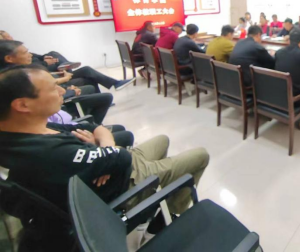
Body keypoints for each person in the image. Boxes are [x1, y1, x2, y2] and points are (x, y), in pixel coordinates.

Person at [0, 66, 210, 246]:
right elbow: (121, 157)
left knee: (162, 139)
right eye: (53, 88)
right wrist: (105, 153)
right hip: (122, 185)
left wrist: (104, 150)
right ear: (23, 105)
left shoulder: (28, 130)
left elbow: (94, 126)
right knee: (200, 155)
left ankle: (151, 206)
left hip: (110, 165)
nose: (62, 90)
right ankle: (158, 225)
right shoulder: (47, 151)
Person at [0, 40, 134, 92]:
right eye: (25, 53)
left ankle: (114, 84)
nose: (29, 54)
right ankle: (113, 85)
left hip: (51, 76)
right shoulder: (14, 74)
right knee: (88, 77)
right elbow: (40, 84)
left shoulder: (18, 66)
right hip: (54, 85)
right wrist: (63, 78)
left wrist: (45, 60)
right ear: (8, 58)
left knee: (86, 71)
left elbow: (37, 58)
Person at [1, 30, 80, 72]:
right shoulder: (13, 66)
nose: (10, 38)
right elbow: (29, 67)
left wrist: (44, 57)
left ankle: (68, 68)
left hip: (39, 63)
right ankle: (68, 71)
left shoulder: (18, 48)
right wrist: (45, 62)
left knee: (53, 54)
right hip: (38, 67)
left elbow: (33, 55)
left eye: (9, 35)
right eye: (7, 37)